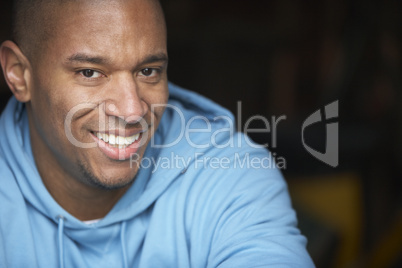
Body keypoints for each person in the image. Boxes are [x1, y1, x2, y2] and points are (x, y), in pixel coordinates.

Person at [0, 0, 314, 267]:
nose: (132, 110)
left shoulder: (231, 172)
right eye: (90, 73)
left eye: (148, 71)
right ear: (19, 74)